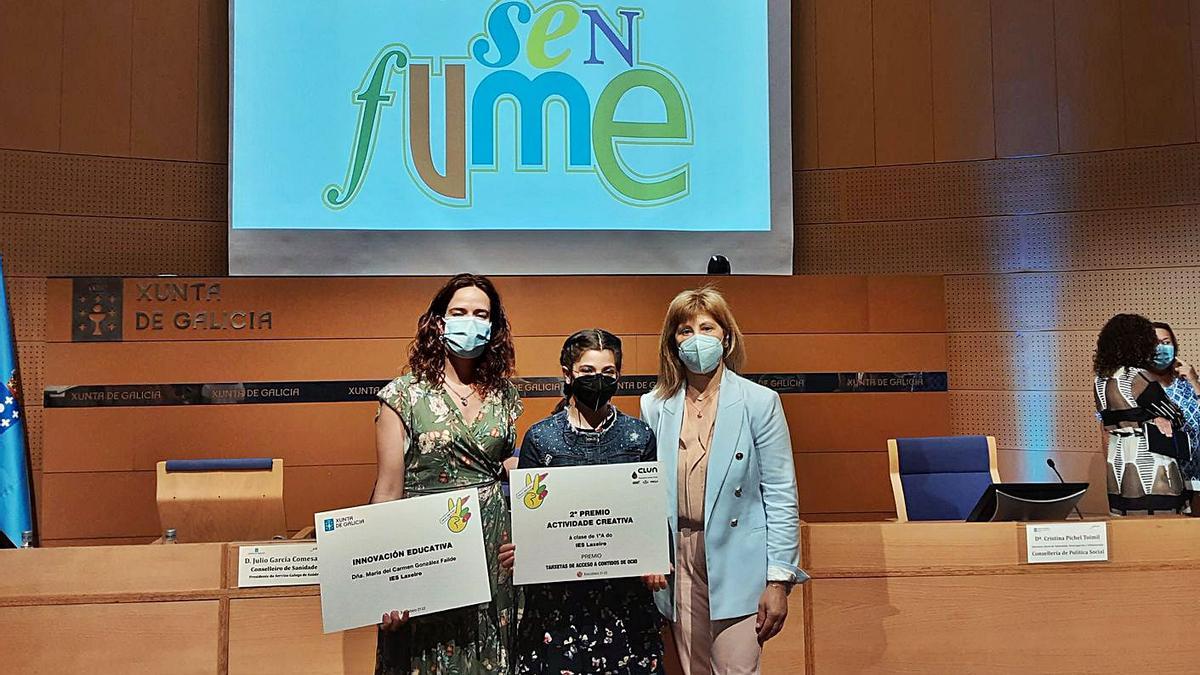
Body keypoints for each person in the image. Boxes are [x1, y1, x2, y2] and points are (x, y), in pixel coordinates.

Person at [640, 286, 807, 675]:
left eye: (707, 327)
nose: (696, 338)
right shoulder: (654, 405)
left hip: (738, 561)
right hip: (676, 561)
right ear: (672, 342)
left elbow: (781, 494)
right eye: (684, 330)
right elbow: (645, 490)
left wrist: (779, 581)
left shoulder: (759, 402)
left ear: (726, 337)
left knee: (737, 668)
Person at [372, 273, 523, 674]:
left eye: (480, 314)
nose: (469, 321)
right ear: (439, 322)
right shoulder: (403, 394)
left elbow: (508, 465)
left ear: (493, 327)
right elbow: (387, 491)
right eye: (459, 312)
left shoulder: (505, 394)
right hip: (429, 545)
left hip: (495, 545)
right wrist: (385, 580)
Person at [499, 329, 665, 674]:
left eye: (608, 372)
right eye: (588, 371)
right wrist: (521, 549)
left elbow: (651, 512)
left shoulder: (638, 436)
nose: (598, 380)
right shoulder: (541, 438)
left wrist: (655, 557)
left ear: (618, 375)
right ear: (568, 374)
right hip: (557, 603)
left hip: (623, 599)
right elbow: (526, 516)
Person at [1093, 313, 1188, 515]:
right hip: (1148, 461)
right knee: (1161, 527)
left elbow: (1111, 419)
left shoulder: (1101, 379)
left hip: (1117, 460)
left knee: (1128, 531)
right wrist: (1156, 417)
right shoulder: (1136, 376)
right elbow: (1176, 416)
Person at [1147, 322, 1200, 496]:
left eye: (1166, 342)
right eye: (1154, 343)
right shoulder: (1138, 386)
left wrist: (1194, 381)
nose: (1161, 348)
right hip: (1162, 482)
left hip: (1197, 477)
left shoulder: (1186, 382)